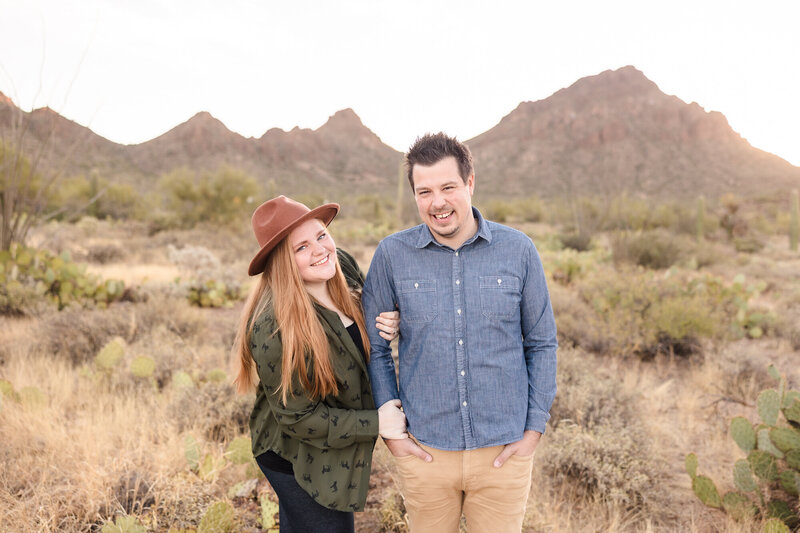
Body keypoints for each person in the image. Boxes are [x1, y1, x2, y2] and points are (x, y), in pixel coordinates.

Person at [362, 133, 558, 533]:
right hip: (426, 452)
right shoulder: (392, 255)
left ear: (470, 184)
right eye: (425, 191)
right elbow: (376, 350)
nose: (437, 202)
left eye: (448, 187)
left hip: (503, 450)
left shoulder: (518, 250)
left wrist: (533, 428)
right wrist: (393, 436)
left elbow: (541, 343)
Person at [233, 195, 407, 533]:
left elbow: (370, 319)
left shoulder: (341, 265)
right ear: (282, 263)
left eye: (321, 235)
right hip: (293, 453)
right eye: (300, 248)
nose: (319, 250)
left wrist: (391, 321)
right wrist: (378, 422)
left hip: (333, 442)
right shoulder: (272, 328)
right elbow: (298, 418)